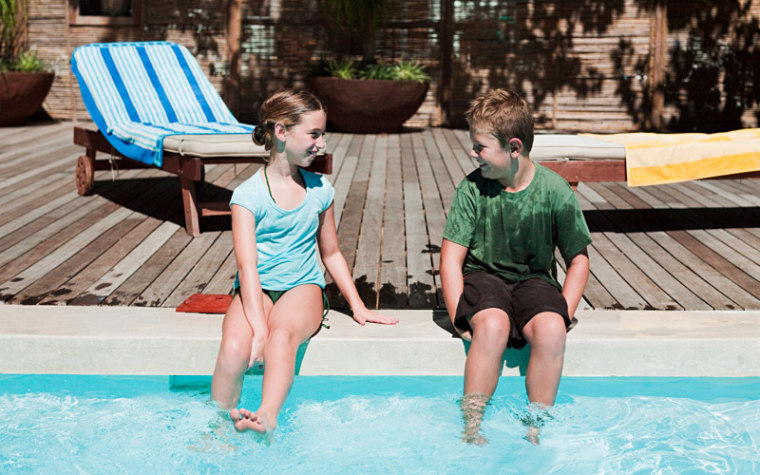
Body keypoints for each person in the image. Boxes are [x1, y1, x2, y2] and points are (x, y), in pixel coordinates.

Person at [211, 89, 398, 435]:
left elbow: (331, 254)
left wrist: (358, 306)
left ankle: (266, 415)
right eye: (314, 134)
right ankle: (218, 428)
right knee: (236, 347)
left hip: (302, 286)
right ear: (282, 132)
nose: (321, 143)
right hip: (256, 289)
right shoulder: (247, 197)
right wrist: (258, 325)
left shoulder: (319, 190)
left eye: (322, 134)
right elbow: (247, 268)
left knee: (280, 338)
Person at [440, 89, 591, 445]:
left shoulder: (554, 191)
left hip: (534, 281)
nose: (472, 153)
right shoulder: (473, 189)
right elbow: (451, 258)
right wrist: (458, 317)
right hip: (484, 277)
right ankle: (472, 426)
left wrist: (563, 311)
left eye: (480, 147)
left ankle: (535, 428)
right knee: (492, 325)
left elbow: (578, 260)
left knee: (552, 329)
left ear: (513, 147)